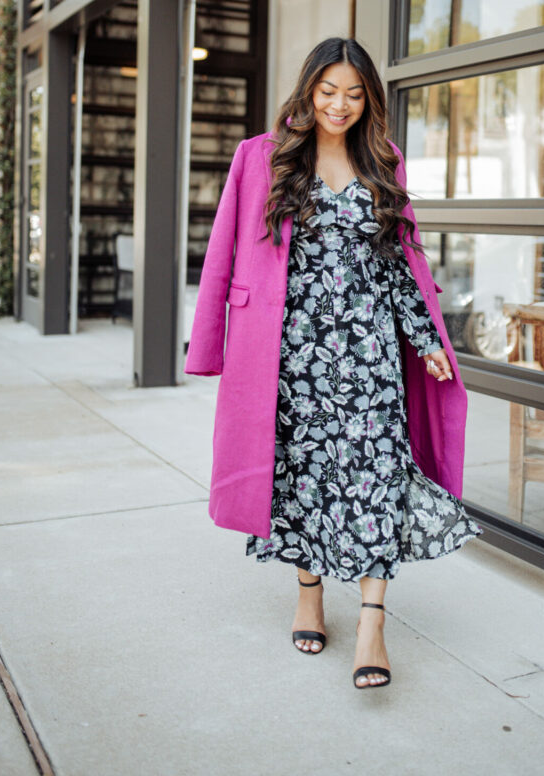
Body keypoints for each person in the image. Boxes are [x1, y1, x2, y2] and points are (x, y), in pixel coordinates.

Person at [185, 37, 482, 690]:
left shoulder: (382, 160)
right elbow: (224, 253)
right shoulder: (260, 158)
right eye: (327, 91)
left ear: (368, 99)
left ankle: (372, 622)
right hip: (289, 356)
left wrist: (426, 341)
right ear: (307, 90)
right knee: (303, 476)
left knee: (376, 476)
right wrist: (209, 342)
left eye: (353, 93)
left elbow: (401, 264)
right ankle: (309, 594)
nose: (339, 105)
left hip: (371, 355)